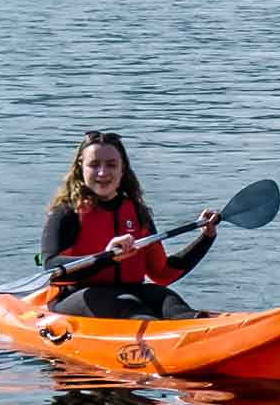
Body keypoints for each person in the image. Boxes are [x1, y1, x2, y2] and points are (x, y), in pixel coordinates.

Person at [39, 130, 220, 319]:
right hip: (79, 295)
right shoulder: (67, 213)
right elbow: (52, 268)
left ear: (122, 168)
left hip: (130, 291)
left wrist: (206, 237)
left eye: (111, 164)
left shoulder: (136, 212)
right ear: (81, 169)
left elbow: (163, 273)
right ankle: (151, 336)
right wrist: (106, 257)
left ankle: (195, 325)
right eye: (94, 165)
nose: (103, 172)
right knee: (125, 304)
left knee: (164, 297)